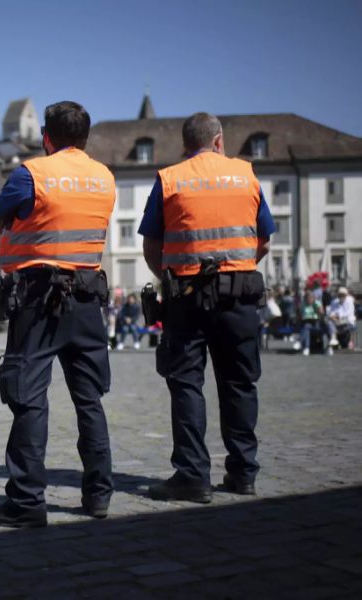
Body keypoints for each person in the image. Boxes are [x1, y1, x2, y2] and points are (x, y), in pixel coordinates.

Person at [0, 100, 116, 526]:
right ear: (85, 137)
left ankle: (26, 503)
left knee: (29, 399)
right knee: (89, 399)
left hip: (39, 299)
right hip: (86, 297)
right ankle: (98, 496)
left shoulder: (31, 173)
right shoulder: (104, 178)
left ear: (46, 136)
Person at [141, 112, 275, 503]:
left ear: (186, 144)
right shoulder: (245, 175)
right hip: (240, 294)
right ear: (219, 141)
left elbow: (152, 245)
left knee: (186, 384)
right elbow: (263, 239)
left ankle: (192, 475)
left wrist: (170, 274)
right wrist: (238, 267)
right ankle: (243, 473)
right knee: (239, 382)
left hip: (186, 296)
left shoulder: (170, 178)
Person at [325, 286, 356, 353]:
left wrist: (337, 315)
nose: (341, 297)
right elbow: (332, 311)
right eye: (340, 295)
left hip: (347, 321)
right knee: (329, 322)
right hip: (337, 321)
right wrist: (332, 316)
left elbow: (348, 313)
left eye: (343, 295)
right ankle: (333, 338)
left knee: (337, 325)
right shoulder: (334, 301)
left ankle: (335, 340)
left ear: (346, 295)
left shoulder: (349, 301)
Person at [298, 290, 324, 356]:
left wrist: (316, 307)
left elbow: (322, 314)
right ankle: (306, 348)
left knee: (306, 327)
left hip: (316, 323)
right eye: (307, 298)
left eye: (310, 298)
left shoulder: (317, 303)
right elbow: (300, 315)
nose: (309, 299)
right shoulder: (303, 304)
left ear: (313, 298)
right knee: (307, 327)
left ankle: (300, 342)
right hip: (306, 322)